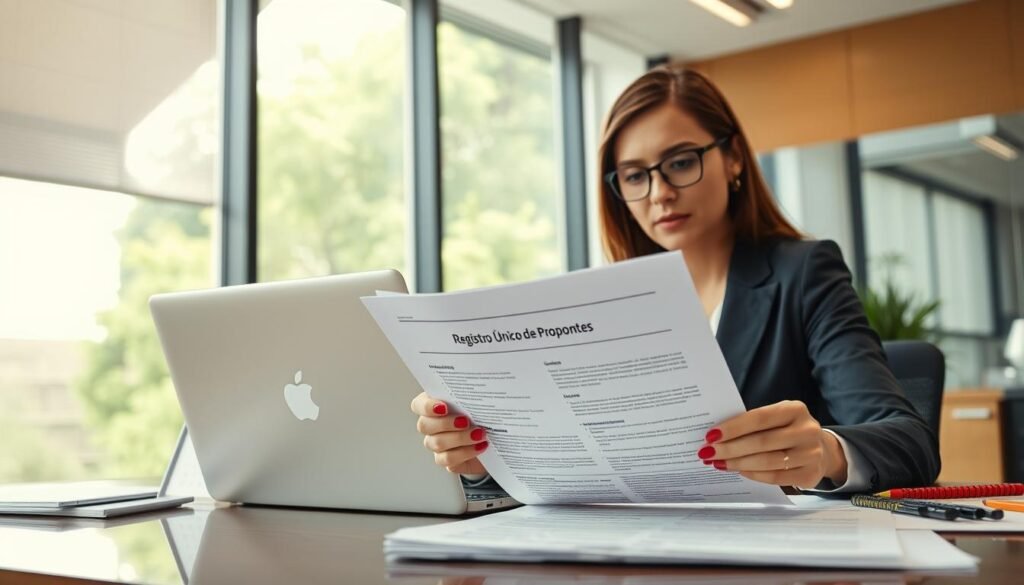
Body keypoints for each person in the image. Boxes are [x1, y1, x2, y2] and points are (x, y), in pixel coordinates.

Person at [409, 65, 940, 493]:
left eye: (680, 162)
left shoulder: (803, 273)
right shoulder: (604, 303)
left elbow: (910, 441)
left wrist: (825, 451)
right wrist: (479, 458)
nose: (660, 192)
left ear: (733, 159)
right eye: (636, 176)